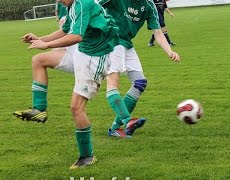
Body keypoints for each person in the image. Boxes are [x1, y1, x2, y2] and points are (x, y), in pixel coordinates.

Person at [14, 0, 144, 169]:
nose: (59, 0)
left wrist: (46, 44)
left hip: (95, 58)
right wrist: (40, 39)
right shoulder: (73, 6)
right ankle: (39, 110)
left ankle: (87, 156)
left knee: (76, 108)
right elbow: (65, 30)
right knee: (38, 60)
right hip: (81, 52)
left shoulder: (84, 4)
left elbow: (76, 36)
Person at [99, 0, 180, 138]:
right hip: (110, 39)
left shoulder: (148, 5)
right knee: (113, 82)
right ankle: (127, 121)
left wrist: (170, 51)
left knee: (140, 82)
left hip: (126, 43)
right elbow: (92, 6)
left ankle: (115, 128)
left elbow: (158, 33)